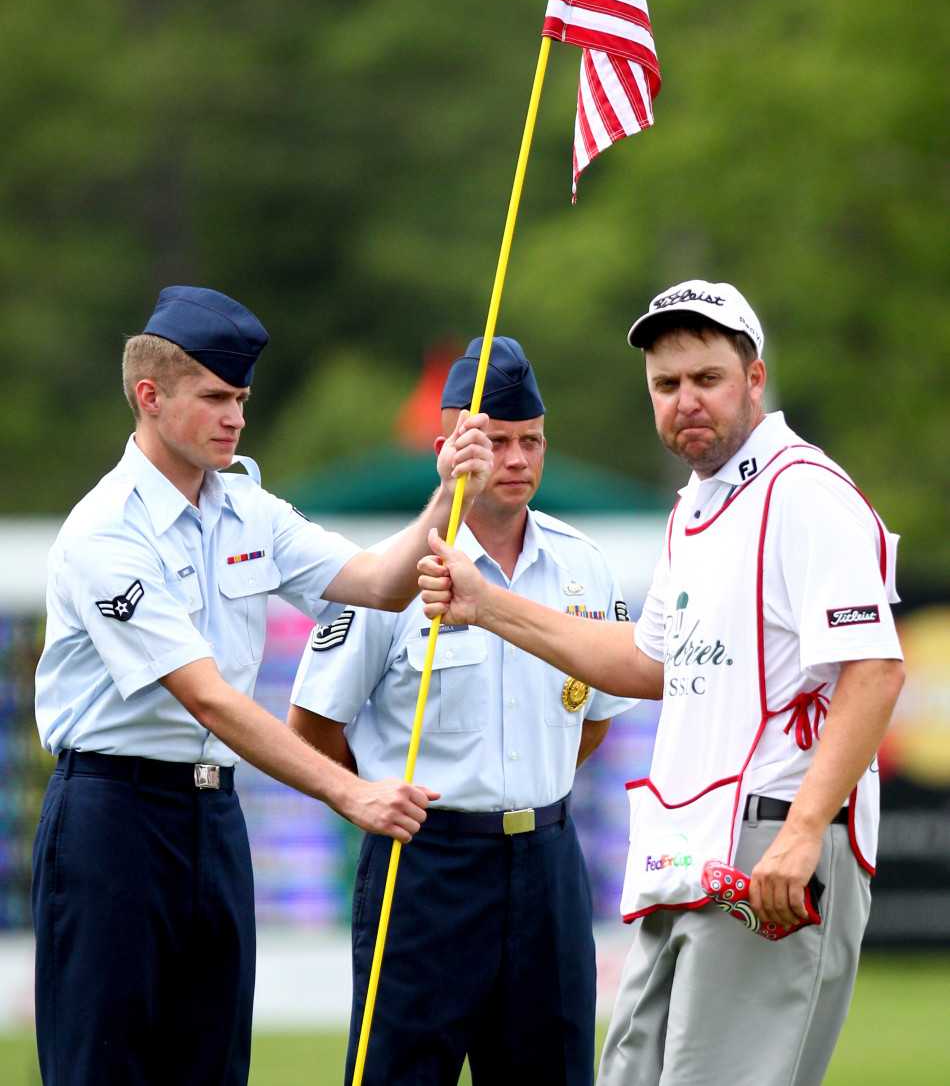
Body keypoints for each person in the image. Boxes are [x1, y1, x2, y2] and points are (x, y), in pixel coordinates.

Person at [419, 281, 905, 1086]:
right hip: (688, 850)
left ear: (754, 379)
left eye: (707, 379)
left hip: (773, 849)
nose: (686, 401)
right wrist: (489, 606)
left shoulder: (804, 491)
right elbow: (649, 664)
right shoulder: (698, 504)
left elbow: (876, 670)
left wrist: (802, 830)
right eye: (666, 385)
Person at [32, 285, 492, 1086]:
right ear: (149, 396)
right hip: (113, 821)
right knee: (103, 1065)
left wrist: (448, 493)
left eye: (241, 398)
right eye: (214, 397)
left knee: (214, 1066)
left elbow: (379, 581)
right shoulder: (104, 530)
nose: (235, 417)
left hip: (214, 817)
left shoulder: (245, 504)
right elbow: (206, 697)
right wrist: (349, 795)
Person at [289, 336, 637, 1086]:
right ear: (448, 447)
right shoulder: (392, 571)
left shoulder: (584, 566)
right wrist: (375, 797)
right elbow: (314, 725)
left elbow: (596, 717)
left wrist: (525, 793)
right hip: (426, 872)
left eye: (531, 442)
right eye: (498, 441)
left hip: (545, 864)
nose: (516, 460)